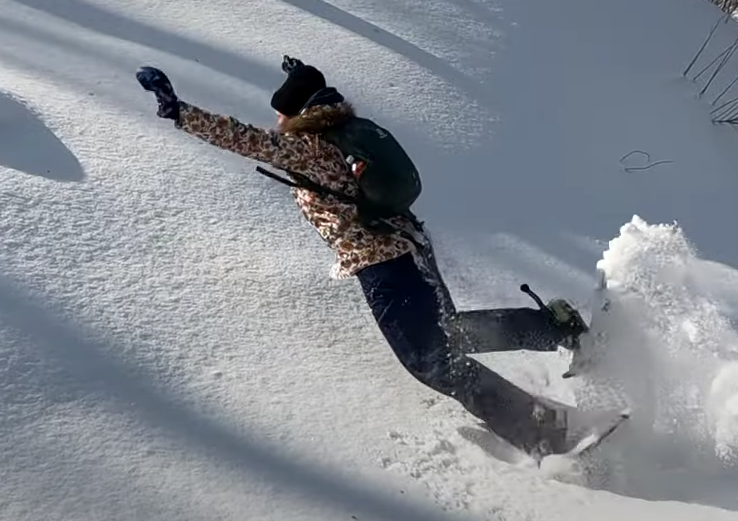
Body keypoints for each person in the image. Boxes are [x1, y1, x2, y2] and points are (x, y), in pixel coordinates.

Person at [135, 56, 589, 457]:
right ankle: (556, 328)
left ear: (297, 113)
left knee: (431, 361)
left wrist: (181, 112)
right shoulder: (347, 133)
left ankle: (551, 432)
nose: (275, 121)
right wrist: (301, 77)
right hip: (411, 250)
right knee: (450, 337)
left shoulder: (309, 147)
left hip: (383, 266)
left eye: (280, 112)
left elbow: (246, 140)